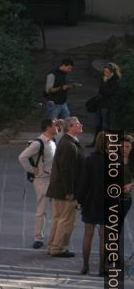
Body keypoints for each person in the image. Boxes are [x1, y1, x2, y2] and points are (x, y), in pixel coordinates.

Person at [45, 116, 85, 257]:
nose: (80, 125)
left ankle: (52, 246)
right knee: (66, 220)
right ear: (69, 127)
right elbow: (67, 170)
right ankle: (58, 248)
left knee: (57, 218)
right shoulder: (68, 145)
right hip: (64, 190)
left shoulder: (68, 142)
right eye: (77, 124)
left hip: (58, 189)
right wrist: (70, 191)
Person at [17, 118, 59, 249]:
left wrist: (60, 122)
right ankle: (38, 238)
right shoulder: (38, 143)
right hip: (42, 179)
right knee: (42, 209)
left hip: (53, 178)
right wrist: (31, 169)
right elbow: (22, 157)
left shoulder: (52, 141)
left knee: (56, 209)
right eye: (55, 125)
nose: (57, 127)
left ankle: (53, 237)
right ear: (48, 127)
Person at [77, 132, 108, 276]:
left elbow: (83, 183)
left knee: (87, 235)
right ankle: (102, 268)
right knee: (104, 237)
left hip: (90, 201)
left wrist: (80, 201)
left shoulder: (89, 160)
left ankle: (85, 266)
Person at [91, 62, 121, 143]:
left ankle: (108, 143)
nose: (105, 73)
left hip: (107, 105)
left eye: (107, 72)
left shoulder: (114, 80)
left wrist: (105, 82)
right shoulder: (103, 78)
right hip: (100, 104)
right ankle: (96, 142)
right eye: (104, 72)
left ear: (112, 72)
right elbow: (101, 91)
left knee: (105, 125)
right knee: (97, 124)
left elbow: (109, 92)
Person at [123, 135, 133, 220]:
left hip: (126, 199)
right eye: (122, 146)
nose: (125, 149)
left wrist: (131, 185)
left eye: (127, 147)